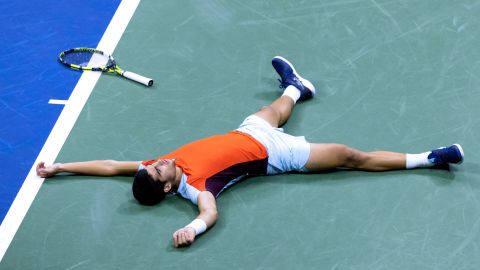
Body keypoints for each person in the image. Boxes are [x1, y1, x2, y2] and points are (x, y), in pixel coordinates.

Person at [36, 56, 464, 248]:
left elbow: (111, 166)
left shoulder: (154, 168)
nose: (160, 162)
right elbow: (210, 214)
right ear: (167, 190)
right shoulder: (195, 188)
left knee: (273, 109)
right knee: (352, 155)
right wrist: (195, 231)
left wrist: (60, 167)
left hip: (249, 131)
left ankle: (298, 88)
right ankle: (431, 157)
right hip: (279, 157)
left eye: (156, 164)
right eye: (160, 171)